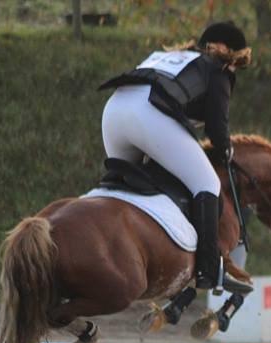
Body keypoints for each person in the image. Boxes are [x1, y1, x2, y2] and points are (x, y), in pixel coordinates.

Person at [99, 21, 252, 293]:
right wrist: (225, 149)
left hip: (114, 111)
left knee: (124, 189)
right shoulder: (219, 69)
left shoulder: (171, 56)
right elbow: (217, 128)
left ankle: (107, 248)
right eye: (237, 63)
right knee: (207, 184)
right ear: (228, 52)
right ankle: (208, 270)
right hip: (149, 114)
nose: (235, 69)